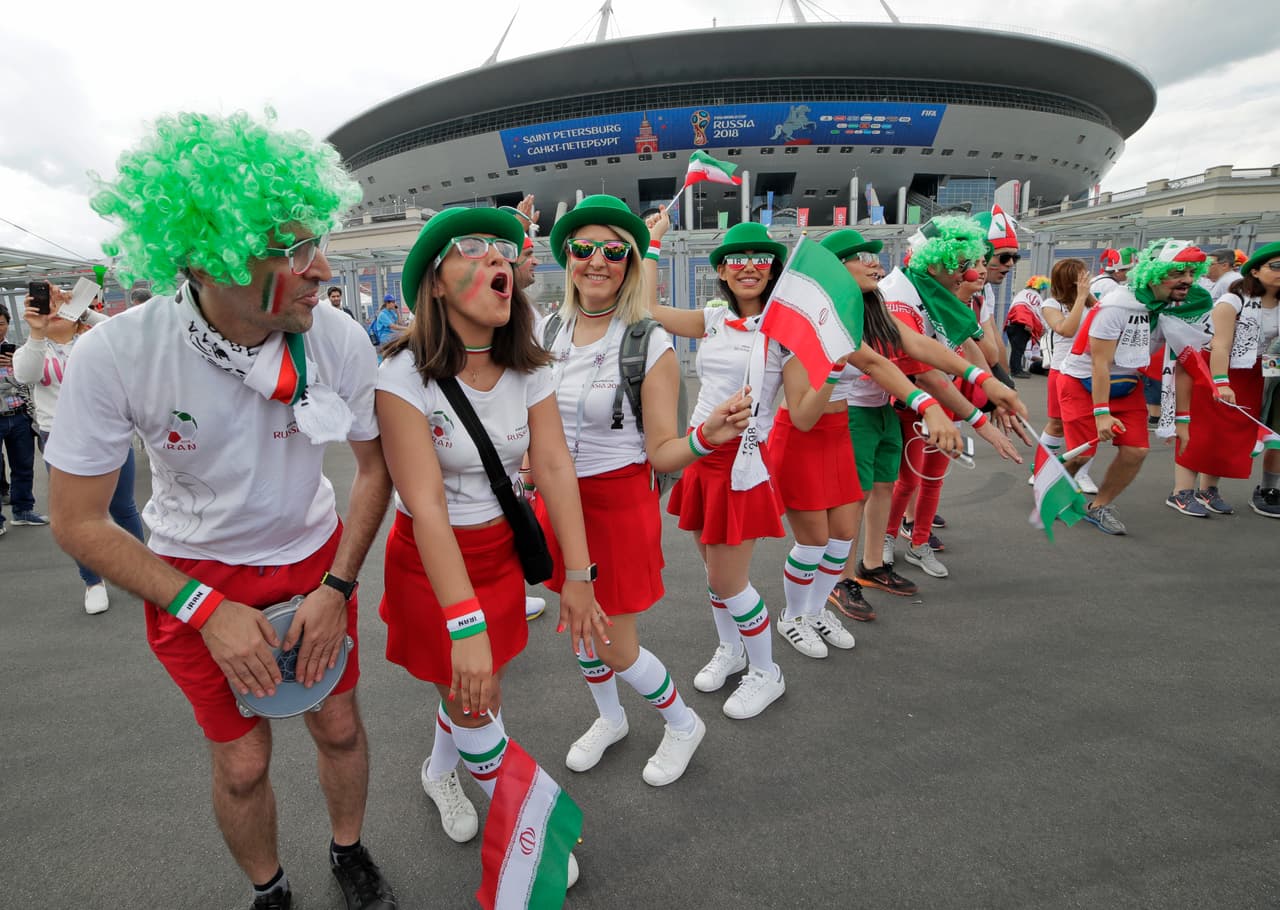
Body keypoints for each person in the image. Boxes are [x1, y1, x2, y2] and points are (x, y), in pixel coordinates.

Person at [47, 110, 397, 910]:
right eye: (293, 248)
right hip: (190, 574)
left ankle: (350, 854)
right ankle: (269, 891)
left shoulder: (337, 338)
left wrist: (338, 589)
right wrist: (204, 608)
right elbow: (78, 520)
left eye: (318, 243)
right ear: (211, 254)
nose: (321, 270)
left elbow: (375, 470)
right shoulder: (117, 352)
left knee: (338, 727)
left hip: (315, 558)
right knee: (241, 763)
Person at [376, 206, 601, 889]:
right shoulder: (400, 375)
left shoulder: (531, 367)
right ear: (436, 283)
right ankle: (532, 830)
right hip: (430, 561)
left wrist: (582, 577)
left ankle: (439, 770)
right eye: (473, 250)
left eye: (506, 253)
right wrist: (463, 622)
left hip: (502, 553)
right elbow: (428, 505)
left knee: (480, 686)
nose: (498, 261)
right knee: (474, 695)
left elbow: (556, 468)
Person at [540, 194, 750, 784]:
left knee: (612, 640)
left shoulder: (646, 340)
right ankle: (610, 718)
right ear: (568, 259)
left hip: (617, 502)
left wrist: (705, 436)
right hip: (558, 501)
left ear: (631, 262)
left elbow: (662, 451)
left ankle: (682, 722)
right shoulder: (547, 328)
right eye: (584, 248)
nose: (597, 261)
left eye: (613, 250)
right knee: (576, 622)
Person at [817, 231, 1024, 618]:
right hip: (847, 412)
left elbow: (919, 345)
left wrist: (988, 382)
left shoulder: (877, 298)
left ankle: (872, 564)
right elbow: (897, 365)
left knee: (882, 487)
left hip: (877, 406)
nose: (979, 272)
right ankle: (836, 580)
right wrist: (957, 411)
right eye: (863, 256)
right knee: (850, 500)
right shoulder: (857, 304)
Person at [646, 220, 791, 719]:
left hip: (744, 460)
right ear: (723, 273)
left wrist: (831, 367)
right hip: (699, 454)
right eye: (736, 259)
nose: (749, 266)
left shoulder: (784, 328)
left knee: (732, 581)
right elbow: (648, 311)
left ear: (773, 270)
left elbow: (806, 404)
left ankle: (766, 672)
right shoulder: (711, 319)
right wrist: (654, 242)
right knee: (713, 572)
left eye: (760, 258)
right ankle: (731, 650)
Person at [1059, 239, 1211, 535]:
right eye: (1178, 272)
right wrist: (1101, 413)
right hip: (1082, 381)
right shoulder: (1117, 305)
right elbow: (1099, 363)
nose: (1188, 281)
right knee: (1081, 454)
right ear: (1154, 273)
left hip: (1128, 383)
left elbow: (1185, 365)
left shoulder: (1183, 307)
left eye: (1192, 273)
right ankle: (1051, 485)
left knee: (1137, 451)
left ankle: (1098, 506)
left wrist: (1182, 419)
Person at [14, 283, 144, 615]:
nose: (54, 311)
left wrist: (82, 309)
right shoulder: (33, 348)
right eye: (48, 307)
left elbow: (128, 330)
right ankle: (92, 581)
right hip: (59, 440)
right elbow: (24, 373)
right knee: (76, 518)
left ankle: (140, 569)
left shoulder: (93, 341)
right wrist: (37, 331)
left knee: (123, 507)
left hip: (107, 435)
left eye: (60, 308)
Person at [1033, 259, 1095, 491]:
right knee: (1057, 424)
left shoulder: (1093, 303)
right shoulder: (1051, 304)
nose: (1087, 278)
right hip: (1062, 371)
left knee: (1089, 425)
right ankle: (1042, 469)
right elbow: (1066, 330)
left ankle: (1081, 473)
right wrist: (1080, 298)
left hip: (1090, 371)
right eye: (1081, 275)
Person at [1239, 242, 1280, 517]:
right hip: (1244, 370)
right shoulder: (1237, 300)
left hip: (1270, 370)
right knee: (1231, 431)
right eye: (1275, 266)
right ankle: (1203, 488)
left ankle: (1270, 489)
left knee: (1276, 433)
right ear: (1255, 271)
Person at [0, 305, 41, 537]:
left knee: (23, 467)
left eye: (2, 323)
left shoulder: (18, 352)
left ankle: (23, 510)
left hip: (18, 415)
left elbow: (28, 381)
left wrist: (14, 369)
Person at [1005, 276, 1046, 378]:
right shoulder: (1036, 296)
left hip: (1012, 322)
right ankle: (1016, 371)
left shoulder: (1021, 294)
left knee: (1016, 349)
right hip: (1023, 324)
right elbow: (1040, 312)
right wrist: (1042, 327)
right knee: (1018, 349)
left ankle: (1016, 369)